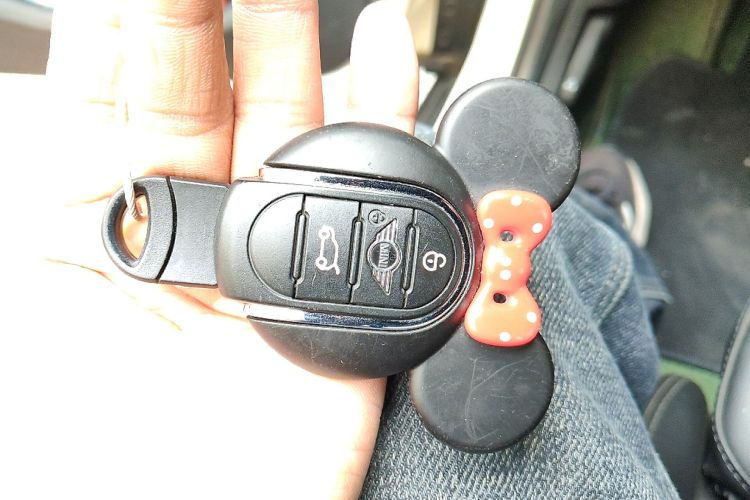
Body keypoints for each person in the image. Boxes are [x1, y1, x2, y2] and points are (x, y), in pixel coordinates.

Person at [36, 0, 677, 498]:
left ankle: (607, 246)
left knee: (579, 262)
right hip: (454, 266)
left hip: (448, 267)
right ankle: (608, 242)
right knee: (579, 256)